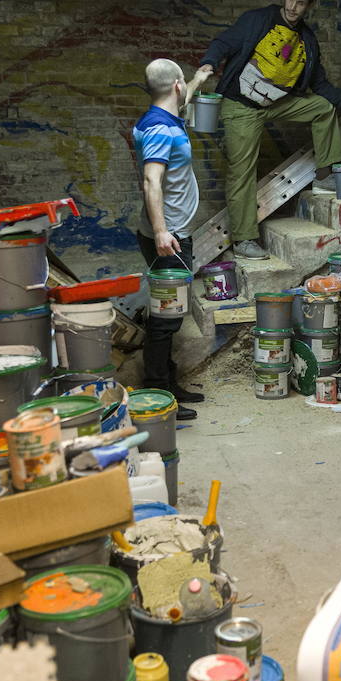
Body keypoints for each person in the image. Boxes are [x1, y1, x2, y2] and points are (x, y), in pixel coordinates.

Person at [197, 0, 341, 260]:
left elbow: (319, 84)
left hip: (276, 103)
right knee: (241, 172)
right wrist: (208, 63)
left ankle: (324, 173)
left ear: (308, 7)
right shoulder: (258, 20)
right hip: (241, 104)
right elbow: (225, 42)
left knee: (321, 106)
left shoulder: (307, 40)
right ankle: (244, 240)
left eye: (300, 4)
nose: (293, 7)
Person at [134, 58, 210, 419]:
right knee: (166, 319)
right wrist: (163, 231)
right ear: (174, 87)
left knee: (171, 314)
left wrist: (198, 78)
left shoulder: (160, 116)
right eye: (184, 84)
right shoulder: (161, 131)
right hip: (171, 237)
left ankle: (167, 383)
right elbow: (152, 181)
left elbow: (183, 95)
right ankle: (158, 394)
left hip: (171, 233)